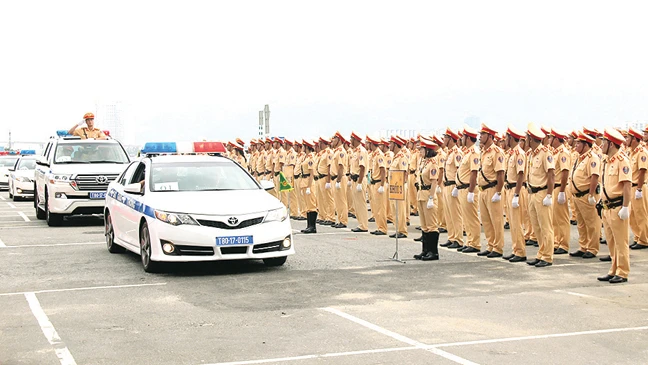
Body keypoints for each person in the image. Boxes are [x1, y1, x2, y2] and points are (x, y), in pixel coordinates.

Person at [596, 128, 631, 284]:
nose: (601, 144)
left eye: (604, 142)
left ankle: (622, 272)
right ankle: (614, 269)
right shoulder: (607, 161)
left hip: (617, 207)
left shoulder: (622, 160)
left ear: (610, 144)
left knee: (620, 242)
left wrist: (625, 206)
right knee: (611, 241)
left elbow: (627, 185)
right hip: (607, 207)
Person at [525, 124, 556, 267]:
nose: (525, 140)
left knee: (545, 226)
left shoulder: (545, 153)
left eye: (527, 138)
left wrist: (549, 195)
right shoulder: (532, 154)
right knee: (536, 226)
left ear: (531, 139)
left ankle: (547, 256)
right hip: (532, 192)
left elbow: (551, 175)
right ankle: (541, 252)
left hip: (542, 193)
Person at [414, 137, 441, 261]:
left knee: (431, 225)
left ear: (428, 150)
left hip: (428, 194)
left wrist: (431, 197)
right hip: (421, 194)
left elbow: (434, 181)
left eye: (422, 149)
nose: (420, 151)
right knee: (424, 225)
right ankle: (425, 250)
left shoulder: (433, 164)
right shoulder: (423, 162)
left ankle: (433, 252)